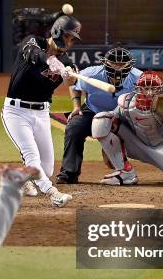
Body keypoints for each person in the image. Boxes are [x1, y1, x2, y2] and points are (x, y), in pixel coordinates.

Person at [1, 14, 81, 207]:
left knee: (47, 167)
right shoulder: (33, 42)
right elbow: (33, 54)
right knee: (32, 156)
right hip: (16, 112)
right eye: (69, 37)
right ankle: (53, 193)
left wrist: (72, 78)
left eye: (73, 39)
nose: (70, 43)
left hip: (41, 114)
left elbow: (73, 80)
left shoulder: (66, 62)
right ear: (58, 32)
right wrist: (51, 61)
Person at [91, 71, 163, 187]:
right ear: (137, 88)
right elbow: (110, 122)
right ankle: (125, 173)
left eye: (153, 88)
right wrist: (107, 147)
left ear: (160, 89)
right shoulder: (126, 102)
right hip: (136, 144)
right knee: (101, 119)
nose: (148, 93)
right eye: (144, 88)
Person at [56, 46, 142, 184]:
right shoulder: (91, 74)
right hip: (93, 111)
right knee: (74, 127)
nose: (118, 67)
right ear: (105, 63)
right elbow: (74, 85)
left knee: (161, 124)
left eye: (122, 64)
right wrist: (77, 106)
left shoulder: (139, 78)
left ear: (130, 64)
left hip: (123, 116)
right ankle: (69, 173)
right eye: (114, 63)